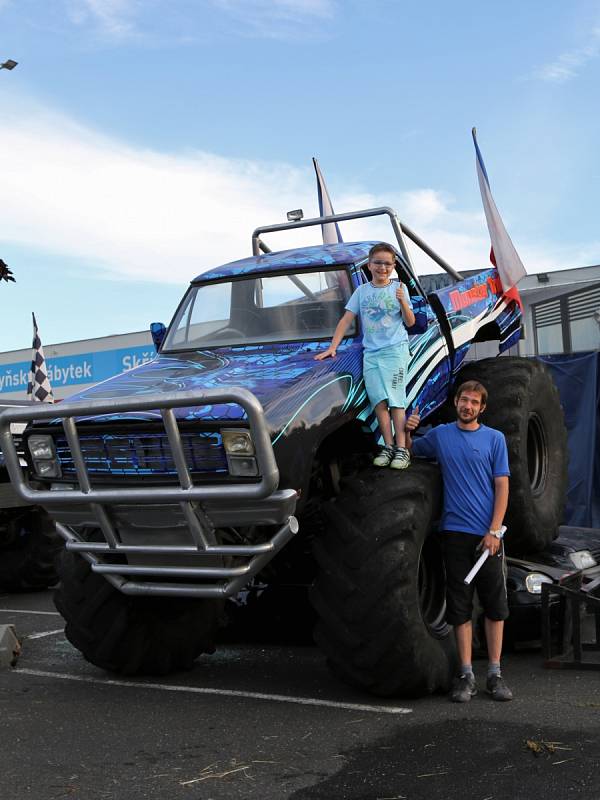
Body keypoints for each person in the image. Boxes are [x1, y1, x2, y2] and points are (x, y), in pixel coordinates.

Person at [405, 381, 513, 702]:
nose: (468, 406)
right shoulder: (440, 436)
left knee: (495, 607)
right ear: (456, 402)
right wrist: (408, 430)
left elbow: (503, 487)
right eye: (464, 400)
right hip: (454, 534)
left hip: (488, 539)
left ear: (482, 408)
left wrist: (494, 531)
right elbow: (409, 450)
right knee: (459, 607)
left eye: (474, 402)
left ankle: (495, 674)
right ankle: (466, 674)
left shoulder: (495, 439)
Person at [315, 242, 416, 469]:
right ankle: (387, 446)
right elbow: (346, 320)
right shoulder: (361, 292)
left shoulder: (399, 288)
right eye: (378, 263)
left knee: (396, 401)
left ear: (393, 266)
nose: (383, 267)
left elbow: (410, 322)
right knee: (379, 401)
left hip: (394, 351)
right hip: (371, 354)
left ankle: (402, 449)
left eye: (387, 263)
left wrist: (402, 301)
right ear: (369, 265)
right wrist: (333, 347)